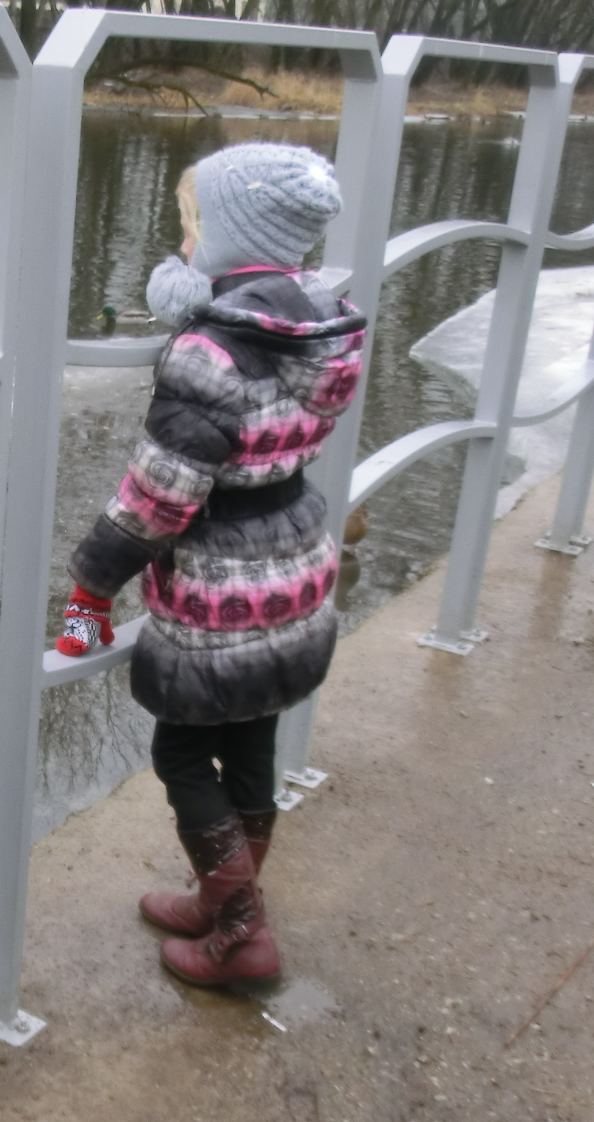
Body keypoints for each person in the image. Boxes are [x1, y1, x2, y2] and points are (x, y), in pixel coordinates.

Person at [56, 142, 367, 990]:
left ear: (234, 236)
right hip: (294, 570)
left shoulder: (210, 352)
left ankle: (240, 931)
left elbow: (158, 498)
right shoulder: (326, 327)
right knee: (254, 743)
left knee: (185, 757)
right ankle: (224, 899)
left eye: (194, 229)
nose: (185, 245)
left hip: (221, 593)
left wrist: (90, 589)